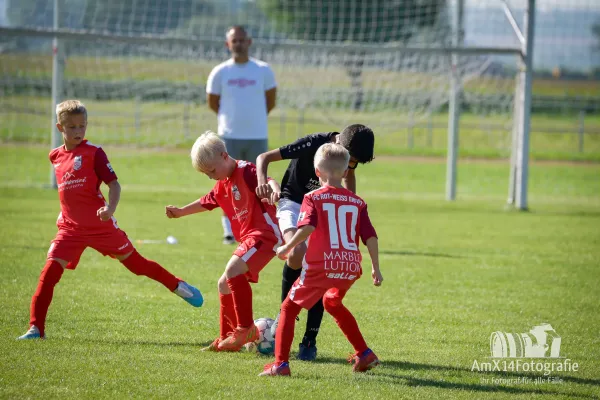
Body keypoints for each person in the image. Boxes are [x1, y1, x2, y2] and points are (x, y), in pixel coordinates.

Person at [17, 100, 203, 340]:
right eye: (72, 127)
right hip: (70, 230)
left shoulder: (94, 153)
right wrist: (64, 211)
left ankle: (177, 285)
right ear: (60, 128)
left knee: (138, 266)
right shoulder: (55, 156)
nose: (78, 131)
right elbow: (69, 192)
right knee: (49, 272)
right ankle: (35, 328)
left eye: (82, 125)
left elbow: (114, 185)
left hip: (101, 227)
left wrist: (110, 208)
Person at [259, 143, 383, 377]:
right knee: (332, 302)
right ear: (345, 172)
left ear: (317, 171)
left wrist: (287, 246)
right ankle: (364, 353)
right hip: (349, 266)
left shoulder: (312, 197)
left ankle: (280, 365)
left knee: (288, 308)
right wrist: (376, 268)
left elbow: (307, 227)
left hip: (321, 265)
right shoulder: (358, 202)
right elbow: (370, 236)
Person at [165, 131, 282, 351]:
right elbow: (207, 201)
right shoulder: (223, 184)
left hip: (266, 235)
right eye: (206, 174)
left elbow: (268, 180)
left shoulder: (246, 171)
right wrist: (181, 212)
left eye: (212, 170)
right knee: (224, 284)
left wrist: (275, 191)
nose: (211, 176)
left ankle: (246, 328)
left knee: (232, 270)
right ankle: (226, 337)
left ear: (224, 155)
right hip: (250, 238)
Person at [206, 25, 277, 245]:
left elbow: (270, 101)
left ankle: (263, 227)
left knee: (258, 182)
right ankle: (230, 230)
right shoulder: (220, 72)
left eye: (241, 40)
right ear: (228, 44)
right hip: (229, 136)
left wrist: (254, 119)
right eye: (234, 41)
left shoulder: (263, 70)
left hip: (257, 136)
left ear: (249, 42)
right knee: (228, 184)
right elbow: (213, 102)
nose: (238, 44)